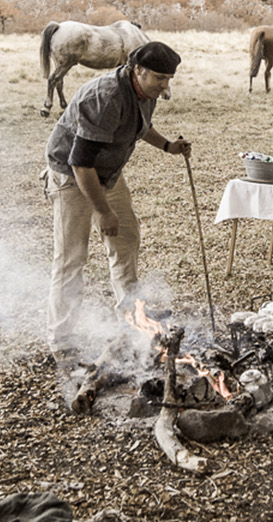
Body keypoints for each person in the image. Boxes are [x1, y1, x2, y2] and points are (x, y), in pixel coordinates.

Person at [42, 41, 192, 345]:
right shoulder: (106, 96)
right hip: (72, 175)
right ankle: (62, 339)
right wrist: (103, 211)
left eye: (168, 79)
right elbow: (80, 162)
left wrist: (167, 146)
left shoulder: (145, 91)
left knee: (125, 239)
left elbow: (140, 125)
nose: (164, 86)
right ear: (138, 70)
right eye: (159, 78)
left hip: (106, 173)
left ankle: (133, 316)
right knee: (71, 259)